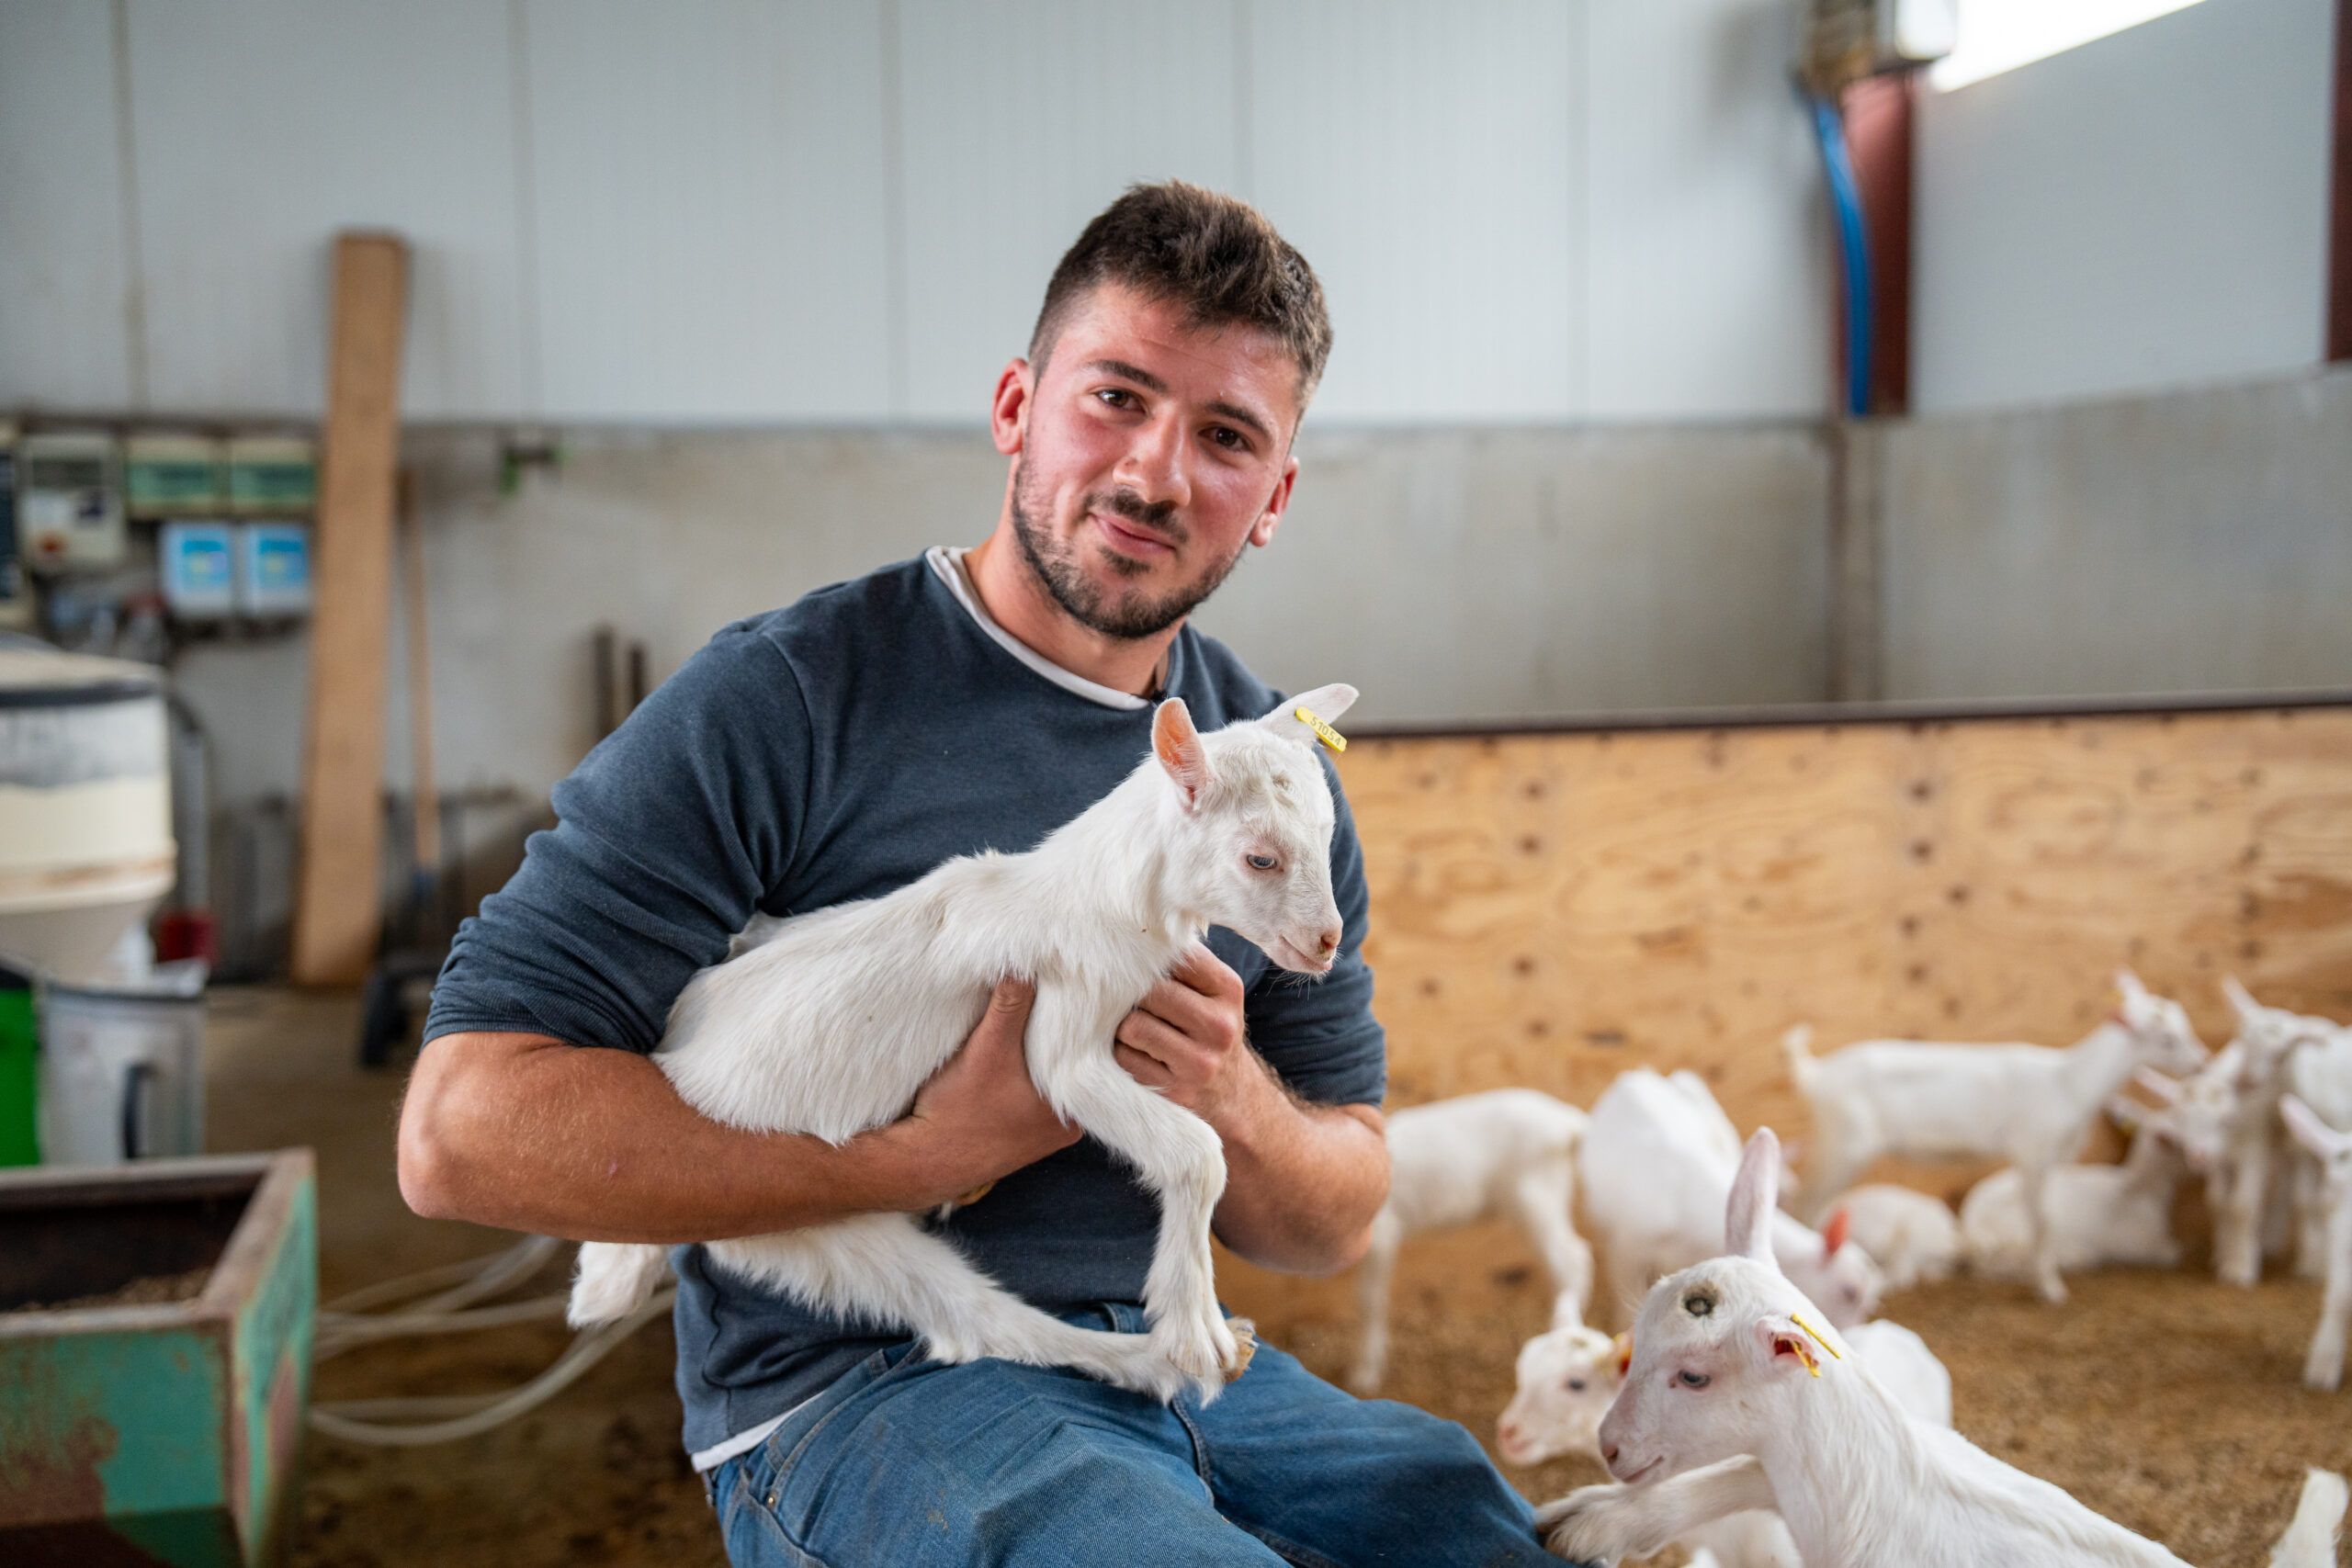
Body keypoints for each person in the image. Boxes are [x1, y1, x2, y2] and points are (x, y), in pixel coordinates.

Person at [401, 181, 1562, 1567]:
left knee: (1488, 1531)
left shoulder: (1273, 780)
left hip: (1181, 1378)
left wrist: (1231, 1091)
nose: (1155, 473)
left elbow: (1333, 1221)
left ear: (1275, 498)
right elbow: (458, 1129)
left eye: (1226, 436)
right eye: (1116, 398)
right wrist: (916, 1159)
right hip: (868, 1387)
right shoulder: (788, 698)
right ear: (1016, 406)